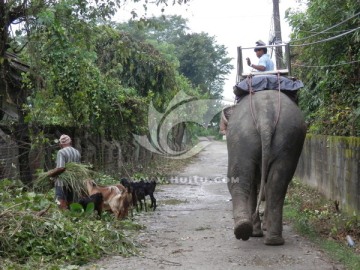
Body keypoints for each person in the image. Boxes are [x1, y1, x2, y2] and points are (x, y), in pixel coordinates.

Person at [47, 134, 81, 209]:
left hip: (62, 183)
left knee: (60, 201)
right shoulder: (77, 152)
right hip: (73, 182)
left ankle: (63, 217)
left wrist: (50, 174)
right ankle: (72, 217)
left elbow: (61, 168)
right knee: (71, 201)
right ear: (70, 142)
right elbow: (78, 168)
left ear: (60, 144)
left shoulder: (61, 152)